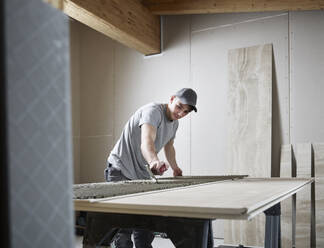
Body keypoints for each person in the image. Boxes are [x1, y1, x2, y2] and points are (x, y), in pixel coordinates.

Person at [104, 88, 198, 248]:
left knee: (146, 225)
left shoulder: (175, 124)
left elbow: (169, 146)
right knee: (123, 228)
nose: (181, 113)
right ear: (171, 99)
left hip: (141, 175)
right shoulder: (153, 111)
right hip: (120, 169)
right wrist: (154, 161)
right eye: (179, 107)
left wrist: (175, 167)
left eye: (186, 112)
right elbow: (147, 140)